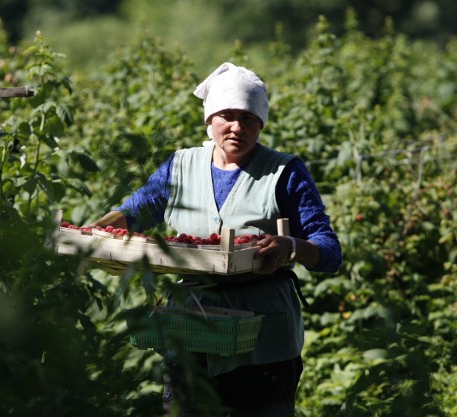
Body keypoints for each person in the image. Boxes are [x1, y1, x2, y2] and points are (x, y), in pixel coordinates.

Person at [90, 62, 342, 417]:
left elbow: (330, 252)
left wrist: (293, 247)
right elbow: (133, 211)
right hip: (192, 332)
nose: (237, 126)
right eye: (227, 115)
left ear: (262, 123)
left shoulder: (284, 172)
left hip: (265, 341)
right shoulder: (180, 167)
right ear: (209, 119)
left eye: (249, 118)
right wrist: (90, 233)